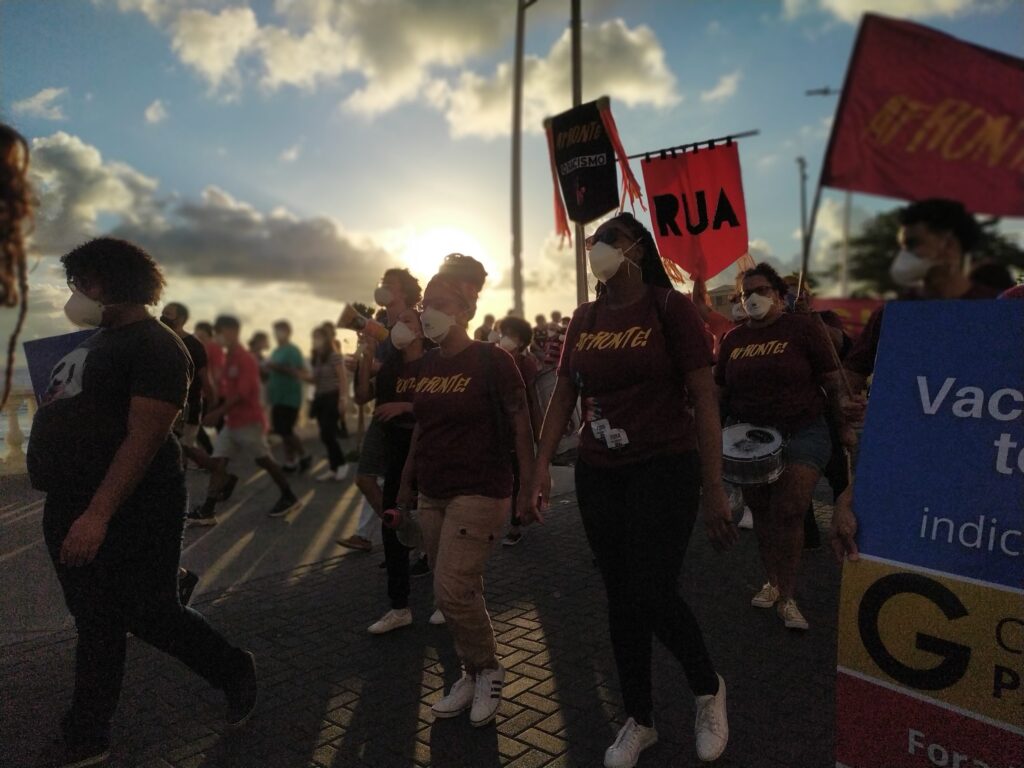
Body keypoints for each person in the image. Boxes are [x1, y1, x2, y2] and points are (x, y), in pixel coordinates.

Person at [27, 238, 257, 768]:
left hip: (132, 504)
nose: (75, 293)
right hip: (70, 498)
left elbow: (144, 438)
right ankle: (88, 733)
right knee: (96, 620)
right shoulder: (94, 341)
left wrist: (97, 515)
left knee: (151, 615)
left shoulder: (156, 346)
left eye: (82, 282)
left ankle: (232, 668)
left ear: (111, 282)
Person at [525, 212, 735, 767]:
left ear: (637, 249)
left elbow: (704, 397)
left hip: (664, 467)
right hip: (599, 472)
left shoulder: (670, 309)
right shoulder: (584, 317)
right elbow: (564, 394)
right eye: (593, 241)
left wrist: (714, 485)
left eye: (609, 240)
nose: (598, 248)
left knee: (651, 588)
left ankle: (707, 687)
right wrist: (541, 464)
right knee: (620, 596)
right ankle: (640, 719)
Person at [397, 254, 533, 729]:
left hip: (480, 488)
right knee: (457, 590)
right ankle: (469, 671)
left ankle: (489, 668)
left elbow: (521, 423)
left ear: (465, 310)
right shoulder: (428, 364)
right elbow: (421, 428)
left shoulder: (493, 360)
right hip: (432, 491)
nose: (428, 312)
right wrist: (405, 485)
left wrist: (529, 486)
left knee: (451, 589)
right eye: (425, 304)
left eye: (440, 304)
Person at [716, 262, 853, 633]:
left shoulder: (804, 328)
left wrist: (843, 426)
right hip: (750, 441)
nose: (752, 298)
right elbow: (719, 392)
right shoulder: (732, 340)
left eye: (761, 290)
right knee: (762, 512)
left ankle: (788, 595)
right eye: (746, 293)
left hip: (803, 432)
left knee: (790, 510)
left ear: (779, 294)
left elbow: (833, 383)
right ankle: (772, 581)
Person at [845, 198, 989, 389]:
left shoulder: (997, 309)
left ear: (950, 245)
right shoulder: (891, 315)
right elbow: (852, 374)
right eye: (903, 246)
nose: (904, 255)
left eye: (913, 244)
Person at [366, 308, 444, 633]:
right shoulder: (391, 367)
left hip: (430, 451)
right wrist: (365, 355)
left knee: (436, 526)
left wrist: (407, 406)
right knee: (392, 523)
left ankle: (446, 600)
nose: (400, 326)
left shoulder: (435, 362)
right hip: (397, 454)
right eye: (397, 321)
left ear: (422, 329)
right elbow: (366, 397)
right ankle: (399, 607)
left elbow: (443, 405)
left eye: (408, 321)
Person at [188, 315, 299, 525]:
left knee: (264, 460)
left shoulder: (245, 359)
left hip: (249, 422)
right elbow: (226, 390)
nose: (218, 336)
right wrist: (212, 408)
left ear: (233, 331)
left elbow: (242, 393)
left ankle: (289, 495)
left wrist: (217, 413)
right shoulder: (229, 357)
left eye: (220, 331)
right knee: (219, 462)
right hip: (232, 423)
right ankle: (208, 510)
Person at [341, 268, 422, 553]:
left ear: (404, 291)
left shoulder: (414, 324)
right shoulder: (377, 324)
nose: (383, 287)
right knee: (366, 478)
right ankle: (402, 531)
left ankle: (404, 539)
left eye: (390, 284)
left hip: (409, 415)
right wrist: (364, 361)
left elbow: (412, 365)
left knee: (406, 486)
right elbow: (364, 393)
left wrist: (375, 366)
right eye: (382, 283)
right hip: (382, 410)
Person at [494, 316, 542, 547]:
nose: (505, 339)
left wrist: (538, 432)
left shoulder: (526, 364)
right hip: (498, 429)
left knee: (518, 476)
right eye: (503, 333)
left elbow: (532, 399)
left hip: (520, 430)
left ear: (522, 341)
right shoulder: (495, 362)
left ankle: (516, 523)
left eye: (511, 335)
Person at [265, 320, 311, 473]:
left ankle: (304, 455)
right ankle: (290, 461)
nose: (277, 334)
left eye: (280, 330)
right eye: (276, 331)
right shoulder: (276, 351)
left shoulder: (293, 350)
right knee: (282, 431)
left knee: (286, 430)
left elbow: (297, 371)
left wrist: (276, 366)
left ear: (288, 332)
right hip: (277, 397)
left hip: (290, 397)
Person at [306, 326, 351, 482]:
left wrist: (343, 399)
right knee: (324, 436)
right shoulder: (318, 358)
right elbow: (315, 380)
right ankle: (333, 467)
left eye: (318, 337)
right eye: (314, 337)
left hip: (332, 398)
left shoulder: (334, 356)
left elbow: (343, 378)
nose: (315, 340)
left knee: (328, 434)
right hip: (320, 399)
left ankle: (342, 464)